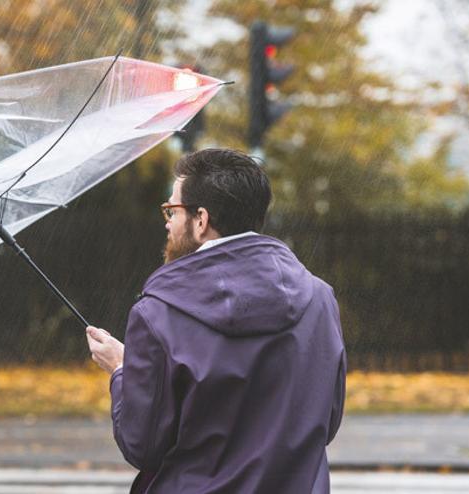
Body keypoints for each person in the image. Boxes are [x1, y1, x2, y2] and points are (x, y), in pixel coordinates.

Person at [86, 148, 346, 493]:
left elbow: (142, 445)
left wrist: (122, 371)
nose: (167, 221)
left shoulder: (159, 314)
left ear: (201, 219)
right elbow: (325, 423)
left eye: (172, 210)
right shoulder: (320, 299)